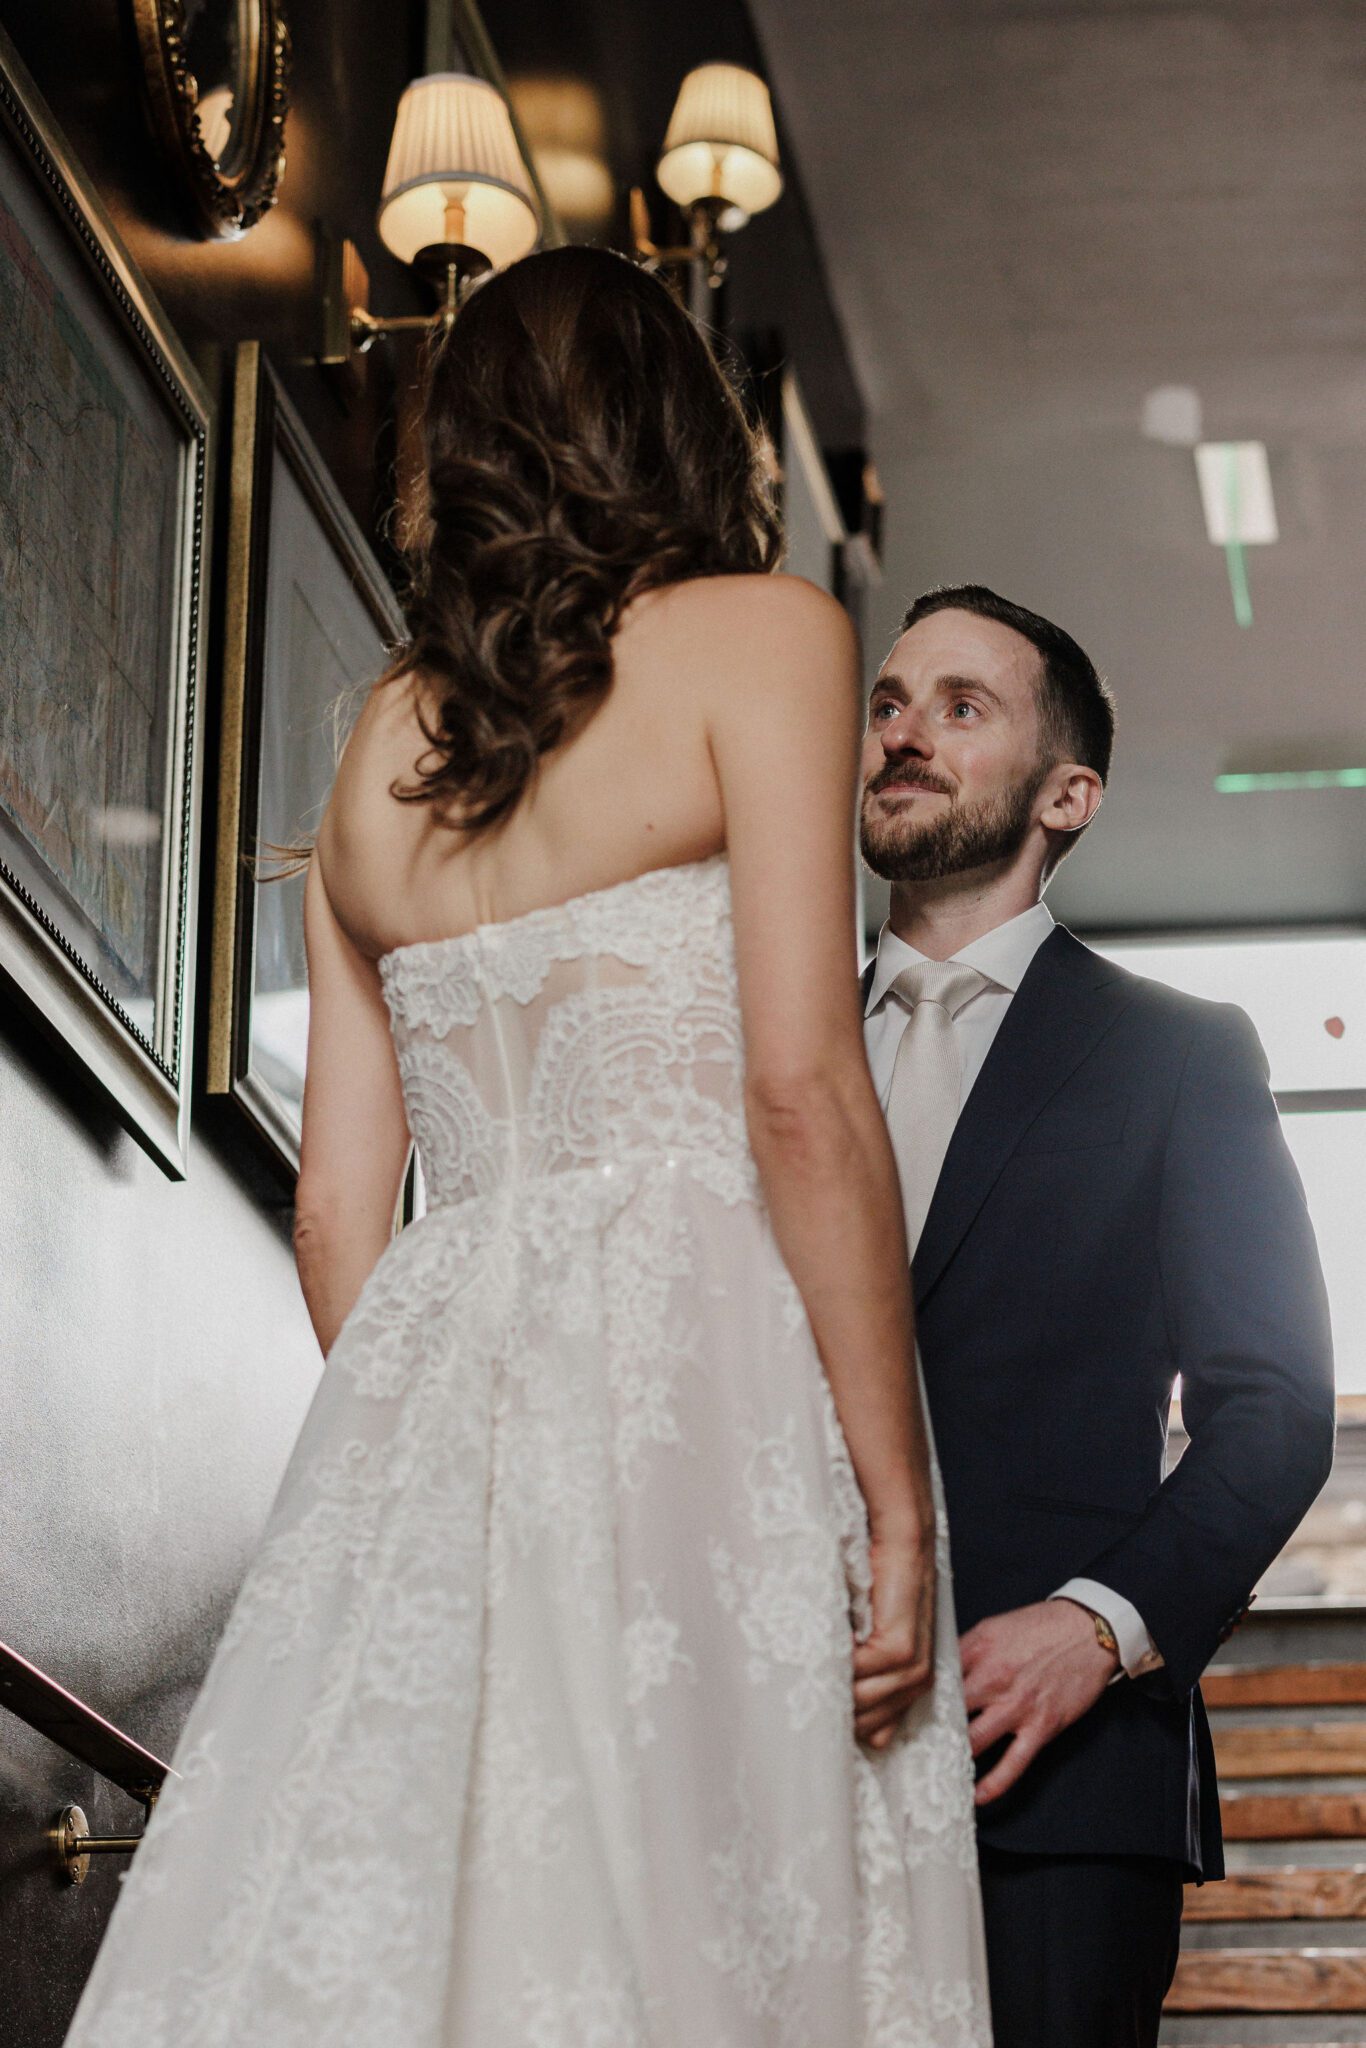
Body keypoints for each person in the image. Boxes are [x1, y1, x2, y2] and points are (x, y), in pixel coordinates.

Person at [64, 250, 990, 2046]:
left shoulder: (369, 753)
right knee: (715, 1897)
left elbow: (339, 1210)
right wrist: (894, 1494)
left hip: (440, 1404)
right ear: (681, 429)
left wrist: (452, 1456)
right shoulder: (767, 635)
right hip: (703, 1387)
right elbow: (800, 1090)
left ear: (459, 452)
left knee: (455, 1924)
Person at [858, 583, 1336, 2048]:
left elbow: (1271, 1413)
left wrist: (1097, 1626)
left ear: (1067, 795)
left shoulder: (1176, 1057)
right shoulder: (756, 1043)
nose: (902, 735)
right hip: (753, 1733)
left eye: (959, 707)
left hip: (1054, 1782)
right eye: (886, 701)